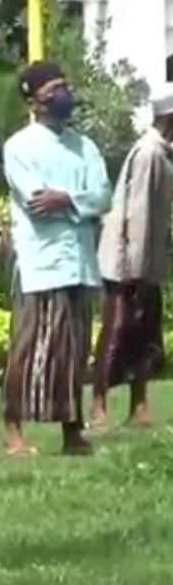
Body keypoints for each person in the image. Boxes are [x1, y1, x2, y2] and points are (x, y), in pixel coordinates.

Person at [1, 61, 111, 456]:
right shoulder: (19, 147)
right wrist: (77, 204)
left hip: (80, 263)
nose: (64, 96)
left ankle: (72, 432)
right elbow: (35, 202)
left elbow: (103, 197)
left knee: (73, 352)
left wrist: (66, 198)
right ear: (34, 101)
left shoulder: (85, 146)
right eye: (54, 91)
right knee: (29, 349)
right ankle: (12, 429)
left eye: (66, 86)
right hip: (40, 265)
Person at [91, 86, 173, 427]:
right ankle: (98, 407)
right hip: (127, 263)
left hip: (147, 261)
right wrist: (136, 271)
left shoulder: (163, 152)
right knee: (118, 331)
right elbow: (137, 215)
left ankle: (139, 406)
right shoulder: (149, 154)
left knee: (146, 333)